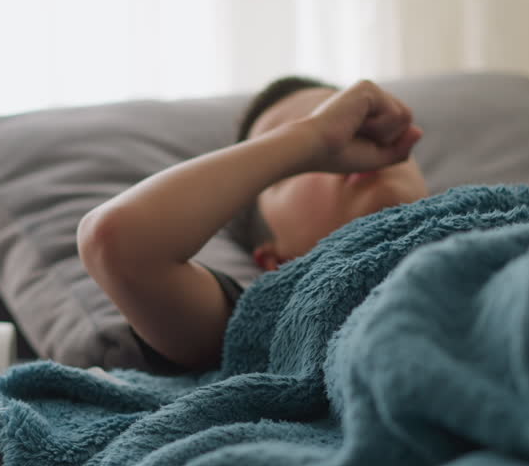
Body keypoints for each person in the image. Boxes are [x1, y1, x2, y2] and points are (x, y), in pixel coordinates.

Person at [76, 77, 430, 372]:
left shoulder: (481, 217)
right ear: (274, 260)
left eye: (361, 130)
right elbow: (116, 241)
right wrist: (313, 138)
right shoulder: (271, 321)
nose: (346, 146)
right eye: (296, 165)